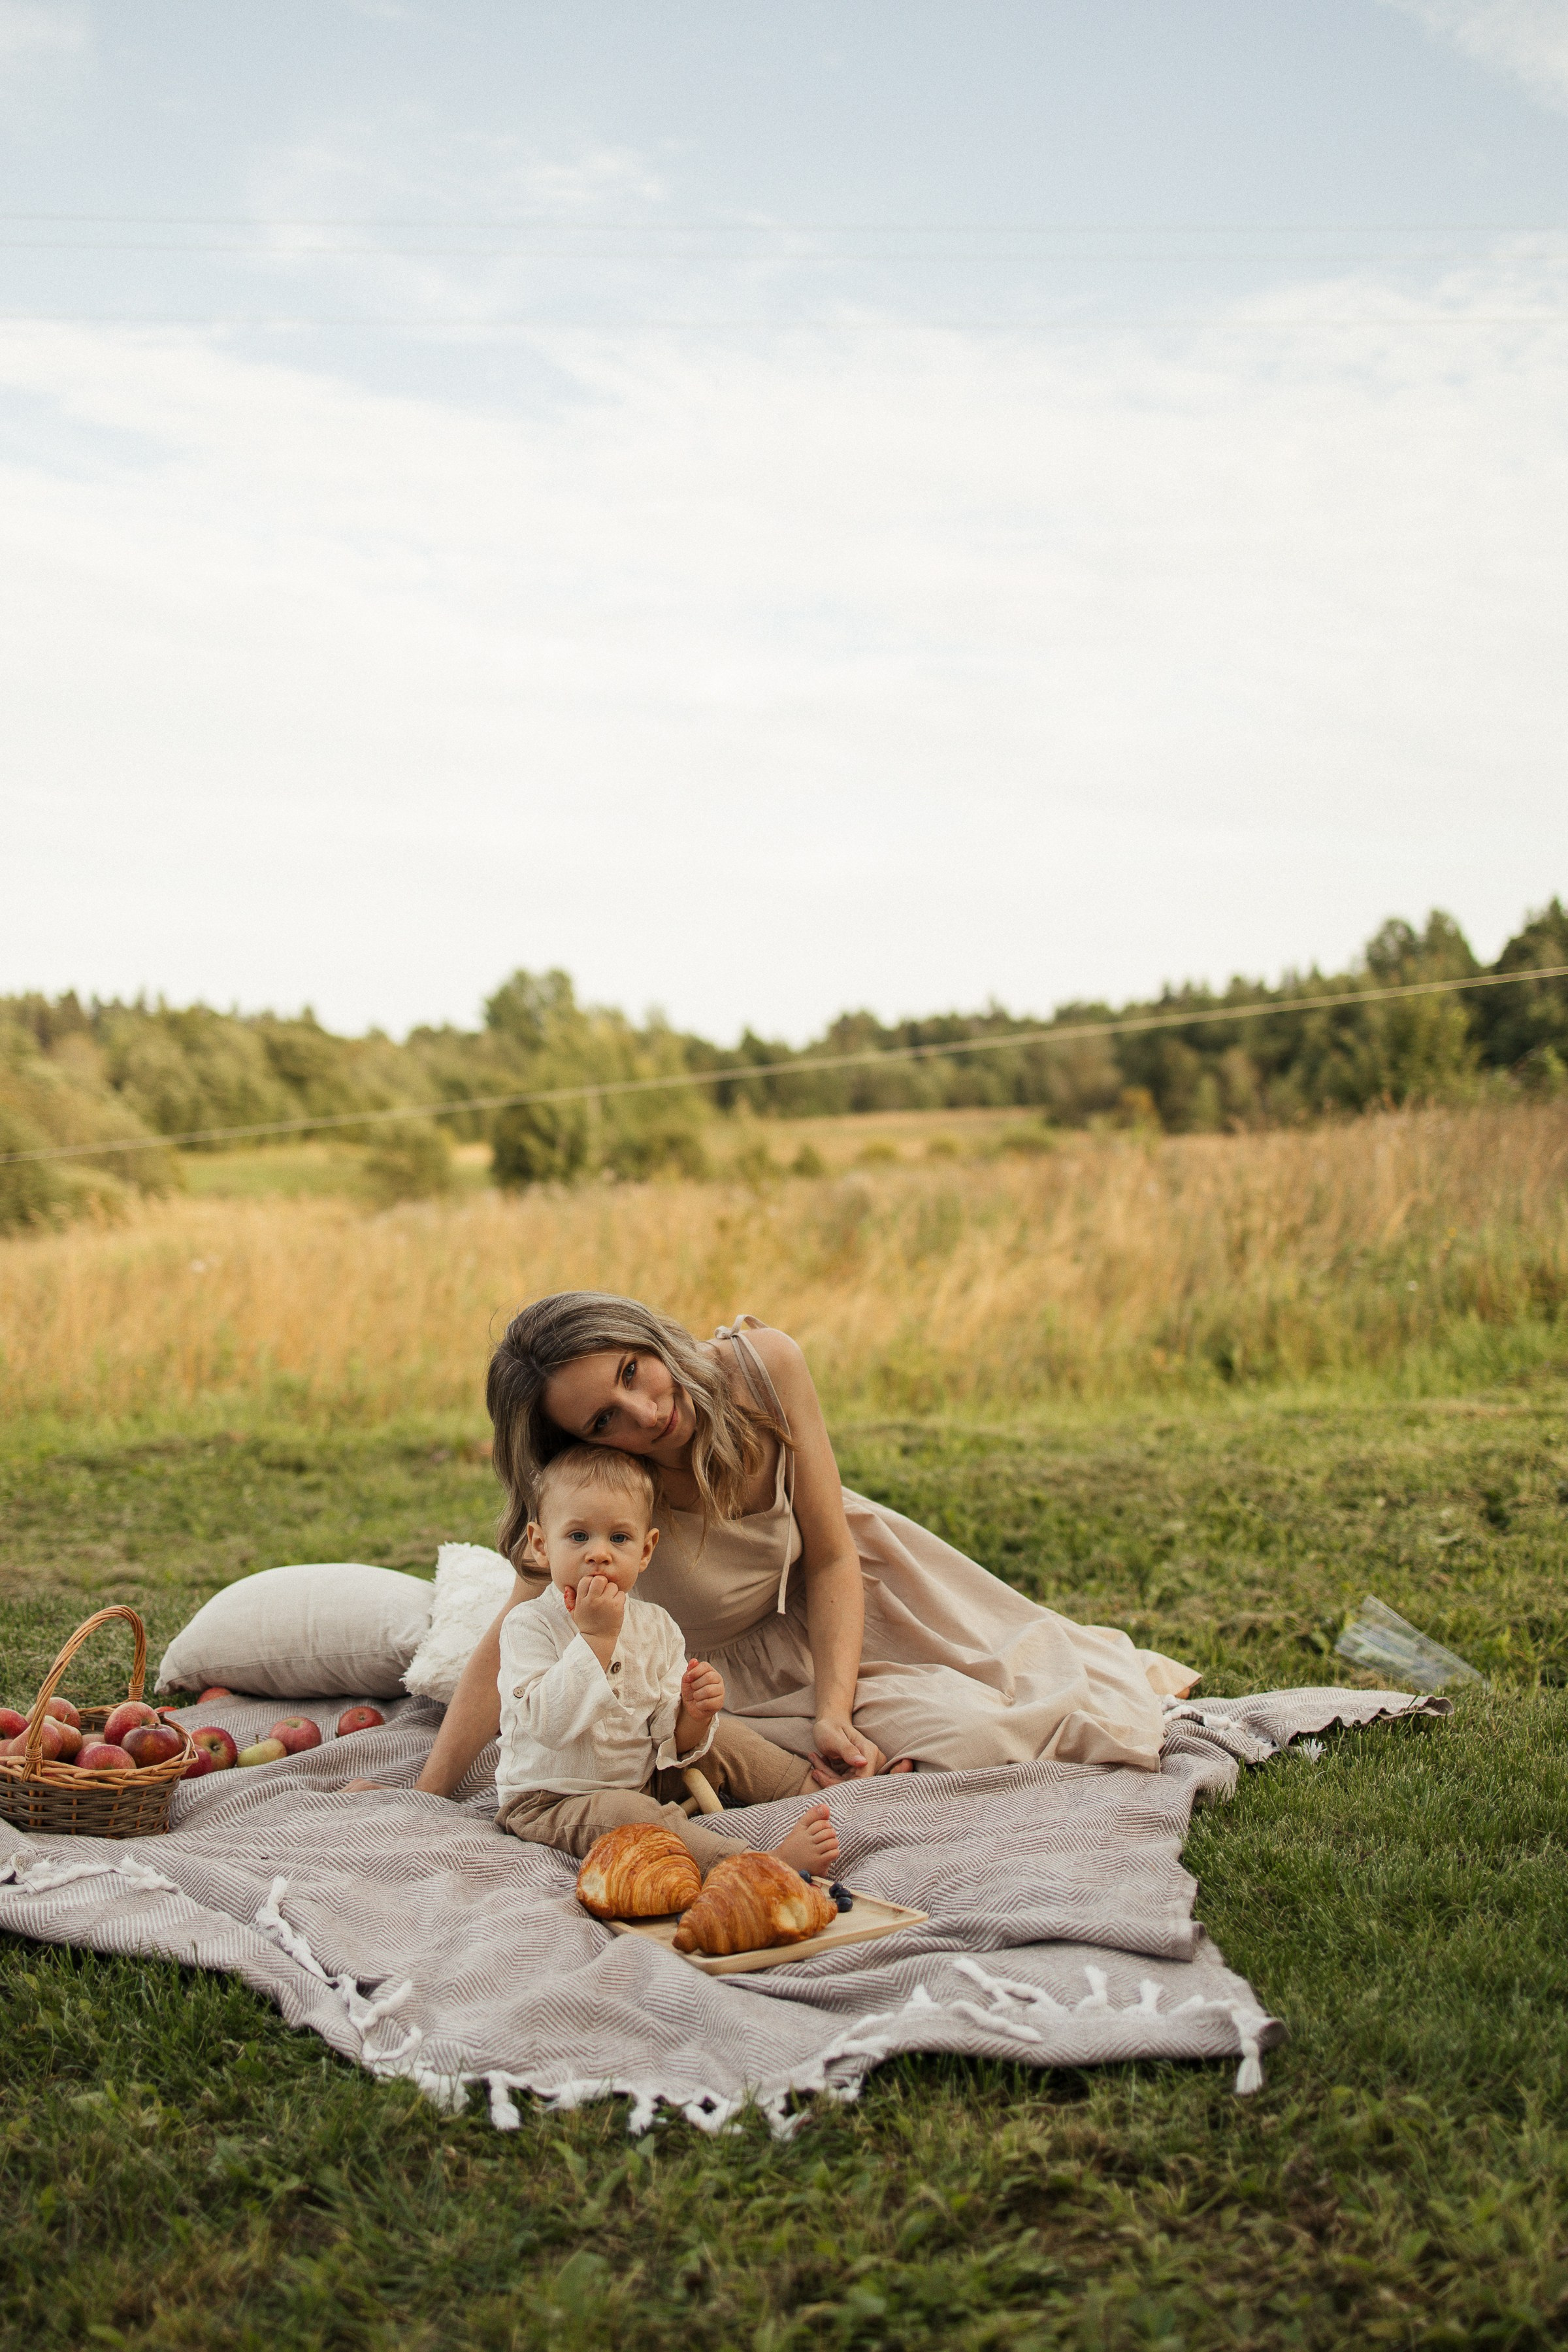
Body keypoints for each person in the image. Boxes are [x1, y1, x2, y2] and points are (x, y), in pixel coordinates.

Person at [408, 1292, 1198, 1804]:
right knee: (943, 1748)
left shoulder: (763, 1366)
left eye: (633, 1371)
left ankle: (868, 1710)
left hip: (849, 1599)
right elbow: (514, 1633)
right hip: (731, 1670)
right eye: (603, 1419)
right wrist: (431, 1789)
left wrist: (834, 1707)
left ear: (649, 1337)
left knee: (1015, 1713)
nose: (644, 1413)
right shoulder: (593, 1490)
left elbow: (830, 1556)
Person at [495, 1440, 838, 1876]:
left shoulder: (655, 1626)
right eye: (578, 1536)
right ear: (541, 1545)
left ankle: (818, 1790)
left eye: (619, 1538)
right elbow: (546, 1724)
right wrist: (596, 1638)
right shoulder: (529, 1626)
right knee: (632, 1815)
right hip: (554, 1798)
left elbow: (668, 1735)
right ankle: (750, 1867)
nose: (599, 1553)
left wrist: (693, 1715)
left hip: (643, 1773)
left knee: (727, 1739)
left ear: (645, 1550)